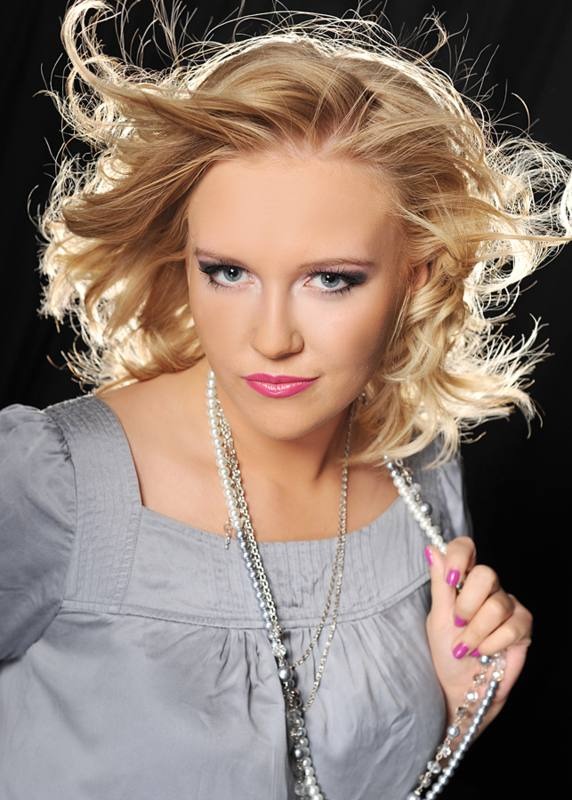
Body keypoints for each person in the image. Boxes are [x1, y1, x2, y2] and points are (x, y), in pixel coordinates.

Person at [1, 1, 569, 798]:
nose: (270, 338)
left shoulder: (420, 477)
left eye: (329, 279)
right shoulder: (48, 483)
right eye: (227, 272)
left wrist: (458, 704)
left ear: (416, 278)